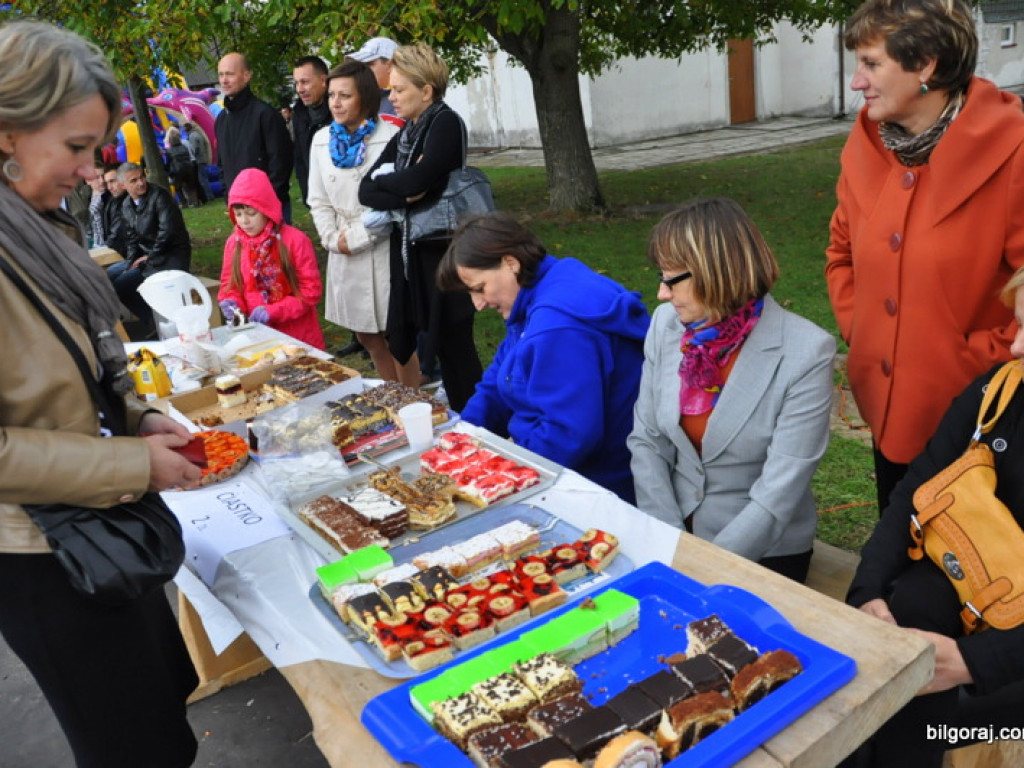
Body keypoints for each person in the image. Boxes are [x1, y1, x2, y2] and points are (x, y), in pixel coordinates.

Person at [0, 20, 200, 768]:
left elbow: (74, 369)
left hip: (99, 526)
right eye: (78, 148)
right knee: (132, 747)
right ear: (9, 129)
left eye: (96, 150)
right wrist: (129, 468)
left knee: (159, 722)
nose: (91, 170)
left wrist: (139, 417)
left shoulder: (31, 223)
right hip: (42, 550)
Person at [825, 0, 1024, 516]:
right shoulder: (866, 144)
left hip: (975, 424)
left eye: (871, 64)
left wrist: (973, 359)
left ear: (925, 65)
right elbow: (840, 252)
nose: (856, 81)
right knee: (890, 560)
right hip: (887, 413)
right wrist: (862, 327)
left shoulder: (1012, 150)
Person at [841, 267, 1024, 767]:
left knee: (915, 711)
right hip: (961, 595)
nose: (1014, 348)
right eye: (1018, 325)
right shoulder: (1000, 390)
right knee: (895, 640)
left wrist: (972, 662)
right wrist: (868, 590)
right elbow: (917, 488)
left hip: (1009, 663)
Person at [629, 198, 835, 582]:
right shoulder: (666, 325)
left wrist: (702, 569)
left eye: (673, 279)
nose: (661, 293)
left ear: (718, 272)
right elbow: (647, 441)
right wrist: (669, 540)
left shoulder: (806, 352)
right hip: (675, 533)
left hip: (762, 550)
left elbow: (778, 494)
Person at [438, 212, 650, 501]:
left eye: (479, 289)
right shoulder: (539, 288)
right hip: (576, 465)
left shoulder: (557, 328)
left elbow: (568, 435)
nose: (477, 304)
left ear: (510, 263)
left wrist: (506, 476)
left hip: (599, 483)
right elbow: (499, 380)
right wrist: (460, 439)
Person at [359, 43, 483, 412]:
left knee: (454, 344)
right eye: (391, 89)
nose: (391, 96)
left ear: (426, 91)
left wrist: (400, 185)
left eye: (399, 90)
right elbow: (367, 189)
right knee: (419, 335)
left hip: (442, 253)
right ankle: (464, 415)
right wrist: (403, 188)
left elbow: (416, 182)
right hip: (411, 251)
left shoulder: (444, 123)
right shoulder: (409, 132)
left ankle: (479, 422)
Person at [307, 60, 416, 380]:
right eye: (331, 96)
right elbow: (318, 199)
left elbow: (397, 201)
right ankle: (391, 393)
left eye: (345, 96)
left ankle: (413, 401)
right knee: (367, 335)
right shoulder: (321, 140)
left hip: (384, 246)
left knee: (398, 335)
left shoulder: (393, 135)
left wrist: (359, 236)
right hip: (343, 250)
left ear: (365, 98)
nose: (335, 103)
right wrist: (331, 238)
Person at [218, 167, 325, 350]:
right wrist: (232, 302)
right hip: (257, 337)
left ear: (266, 209)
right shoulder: (234, 243)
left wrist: (273, 311)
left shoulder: (295, 241)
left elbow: (310, 293)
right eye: (238, 214)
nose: (244, 221)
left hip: (298, 337)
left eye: (251, 213)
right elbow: (230, 285)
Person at [110, 162, 192, 336]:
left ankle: (155, 320)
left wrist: (149, 258)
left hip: (171, 254)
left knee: (123, 284)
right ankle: (152, 319)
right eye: (134, 180)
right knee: (112, 274)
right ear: (123, 185)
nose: (141, 183)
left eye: (142, 177)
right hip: (150, 254)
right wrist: (130, 262)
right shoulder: (126, 205)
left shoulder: (160, 196)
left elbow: (167, 233)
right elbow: (132, 239)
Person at [215, 52, 294, 221]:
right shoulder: (221, 120)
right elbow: (222, 164)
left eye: (230, 74)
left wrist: (266, 202)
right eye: (221, 74)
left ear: (246, 75)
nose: (224, 80)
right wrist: (229, 197)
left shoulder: (265, 115)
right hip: (238, 209)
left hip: (270, 208)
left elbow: (280, 163)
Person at [291, 55, 331, 206]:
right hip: (317, 202)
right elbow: (300, 160)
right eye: (296, 83)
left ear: (323, 81)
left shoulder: (339, 112)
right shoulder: (299, 116)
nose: (300, 89)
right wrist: (308, 197)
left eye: (305, 82)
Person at [347, 36, 403, 124]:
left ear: (391, 64)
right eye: (361, 65)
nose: (362, 70)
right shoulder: (359, 100)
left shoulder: (410, 98)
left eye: (369, 64)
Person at [164, 126, 200, 208]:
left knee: (178, 187)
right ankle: (195, 202)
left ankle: (184, 203)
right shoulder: (184, 147)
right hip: (188, 167)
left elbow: (168, 162)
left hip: (177, 170)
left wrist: (168, 171)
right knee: (191, 186)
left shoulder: (169, 151)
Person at [182, 120, 213, 203]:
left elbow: (194, 149)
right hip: (203, 158)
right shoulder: (197, 134)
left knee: (202, 179)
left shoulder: (192, 136)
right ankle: (210, 195)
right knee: (204, 178)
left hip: (199, 160)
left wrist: (192, 157)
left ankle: (208, 196)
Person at [101, 164, 128, 257]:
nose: (109, 187)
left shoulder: (127, 201)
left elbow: (117, 235)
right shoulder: (111, 200)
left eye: (112, 181)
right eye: (107, 183)